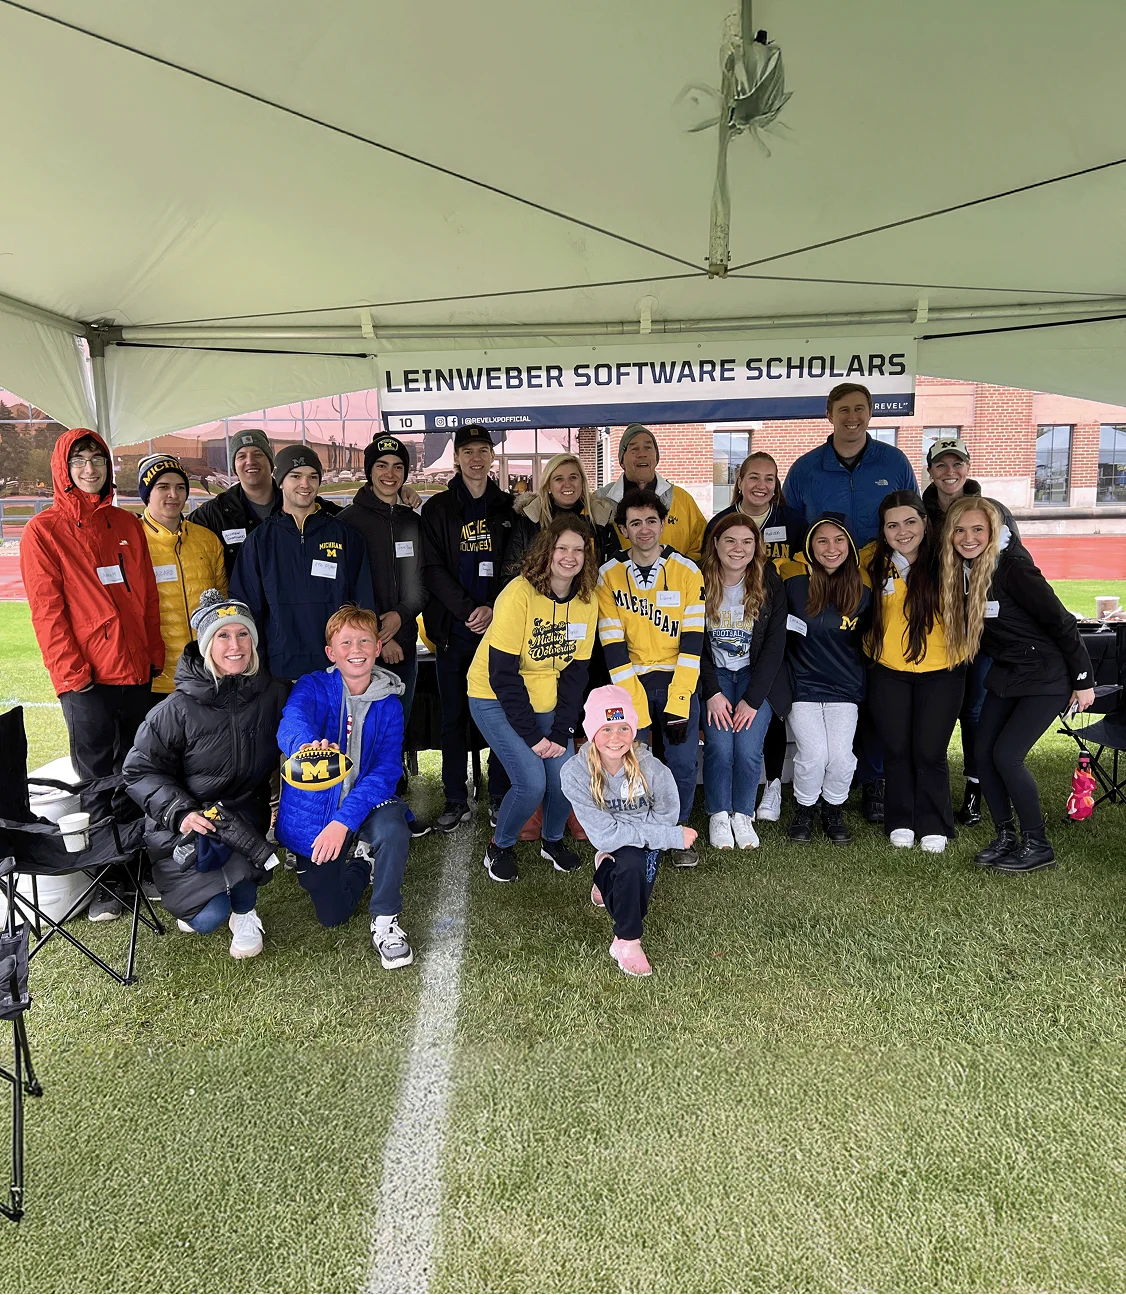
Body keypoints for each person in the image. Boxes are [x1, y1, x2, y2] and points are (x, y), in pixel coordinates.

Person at [20, 428, 164, 921]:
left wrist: (152, 652)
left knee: (137, 770)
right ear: (64, 468)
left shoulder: (125, 524)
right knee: (99, 781)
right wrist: (72, 673)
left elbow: (146, 595)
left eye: (97, 459)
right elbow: (48, 612)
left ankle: (141, 862)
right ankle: (109, 879)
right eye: (79, 460)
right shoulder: (44, 531)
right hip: (87, 680)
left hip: (134, 671)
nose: (89, 468)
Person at [122, 590, 288, 957]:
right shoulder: (175, 708)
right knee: (208, 917)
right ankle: (215, 903)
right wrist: (181, 813)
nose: (235, 645)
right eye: (223, 635)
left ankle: (245, 914)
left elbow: (303, 725)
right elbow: (138, 770)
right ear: (206, 644)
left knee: (240, 883)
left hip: (244, 815)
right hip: (186, 821)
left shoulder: (274, 694)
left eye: (243, 634)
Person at [940, 497, 1094, 872]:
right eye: (960, 530)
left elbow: (1061, 621)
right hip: (1007, 674)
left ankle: (1037, 844)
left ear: (994, 530)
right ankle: (1005, 836)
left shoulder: (1013, 567)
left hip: (1045, 675)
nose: (968, 537)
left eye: (978, 529)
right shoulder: (961, 571)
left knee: (1007, 755)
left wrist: (1083, 679)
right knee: (983, 755)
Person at [276, 606, 415, 967]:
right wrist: (306, 747)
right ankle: (362, 863)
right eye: (346, 642)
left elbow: (384, 772)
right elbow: (291, 721)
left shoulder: (390, 704)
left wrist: (343, 822)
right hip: (317, 812)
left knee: (393, 829)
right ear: (331, 653)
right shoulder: (312, 686)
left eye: (365, 641)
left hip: (364, 805)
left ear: (378, 647)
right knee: (332, 914)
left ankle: (386, 921)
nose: (356, 649)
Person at [468, 517, 600, 882]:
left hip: (546, 694)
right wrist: (533, 736)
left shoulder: (588, 600)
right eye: (562, 548)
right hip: (492, 695)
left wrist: (561, 731)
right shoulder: (518, 593)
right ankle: (499, 846)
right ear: (546, 551)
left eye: (578, 550)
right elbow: (502, 674)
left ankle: (552, 841)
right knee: (531, 782)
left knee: (566, 777)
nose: (570, 557)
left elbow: (576, 674)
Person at [596, 488, 704, 867]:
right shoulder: (607, 575)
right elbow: (613, 647)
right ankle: (638, 833)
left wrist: (679, 700)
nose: (644, 529)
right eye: (635, 522)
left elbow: (693, 643)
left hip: (678, 681)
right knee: (632, 765)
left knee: (682, 763)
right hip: (630, 685)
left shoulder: (688, 571)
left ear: (662, 525)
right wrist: (636, 706)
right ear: (624, 529)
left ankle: (678, 832)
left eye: (652, 521)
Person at [419, 424, 519, 832]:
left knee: (501, 714)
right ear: (457, 458)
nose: (476, 459)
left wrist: (494, 608)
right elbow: (431, 569)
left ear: (492, 457)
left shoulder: (510, 507)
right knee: (454, 717)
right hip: (454, 631)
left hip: (500, 631)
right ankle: (455, 798)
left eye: (483, 451)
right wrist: (467, 610)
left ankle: (498, 793)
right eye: (468, 452)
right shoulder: (437, 508)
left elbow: (518, 566)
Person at [922, 435, 1024, 828]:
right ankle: (926, 784)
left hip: (984, 632)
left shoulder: (993, 511)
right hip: (939, 630)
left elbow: (1017, 564)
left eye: (957, 464)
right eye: (941, 465)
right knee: (938, 708)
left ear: (967, 467)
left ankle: (974, 789)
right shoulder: (921, 513)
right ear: (930, 471)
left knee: (976, 711)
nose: (950, 472)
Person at [560, 686, 693, 978]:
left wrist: (652, 835)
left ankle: (604, 872)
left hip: (646, 834)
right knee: (632, 869)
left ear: (633, 730)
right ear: (591, 731)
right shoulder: (575, 773)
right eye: (606, 728)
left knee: (637, 890)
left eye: (623, 728)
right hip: (615, 837)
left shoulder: (653, 769)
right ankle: (627, 941)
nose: (615, 737)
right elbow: (604, 834)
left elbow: (666, 815)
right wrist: (670, 838)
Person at [864, 491, 966, 852]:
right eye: (892, 525)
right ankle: (901, 820)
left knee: (929, 750)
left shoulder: (948, 559)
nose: (902, 531)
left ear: (925, 522)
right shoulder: (871, 561)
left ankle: (934, 822)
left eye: (910, 521)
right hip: (888, 669)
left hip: (942, 669)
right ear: (883, 530)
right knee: (896, 748)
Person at [230, 445, 375, 681]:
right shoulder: (259, 541)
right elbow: (246, 610)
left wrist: (357, 658)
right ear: (280, 481)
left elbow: (363, 605)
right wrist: (258, 665)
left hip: (336, 668)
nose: (305, 484)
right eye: (296, 476)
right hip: (279, 670)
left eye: (312, 477)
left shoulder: (346, 536)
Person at [703, 450, 792, 822]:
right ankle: (718, 814)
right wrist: (711, 692)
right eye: (730, 541)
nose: (738, 549)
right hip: (717, 676)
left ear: (757, 547)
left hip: (756, 676)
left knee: (748, 750)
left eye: (746, 542)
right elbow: (694, 644)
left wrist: (753, 700)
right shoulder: (699, 582)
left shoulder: (769, 582)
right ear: (716, 543)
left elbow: (774, 645)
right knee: (721, 749)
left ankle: (742, 814)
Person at [783, 515, 871, 845]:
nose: (831, 548)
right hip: (803, 685)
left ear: (849, 545)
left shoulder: (863, 587)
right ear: (810, 546)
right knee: (814, 754)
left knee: (842, 757)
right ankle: (806, 808)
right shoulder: (793, 581)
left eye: (838, 540)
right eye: (822, 540)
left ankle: (833, 808)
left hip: (844, 687)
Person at [338, 434, 428, 728]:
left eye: (398, 466)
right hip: (359, 647)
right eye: (381, 465)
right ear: (369, 471)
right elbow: (344, 588)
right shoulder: (347, 522)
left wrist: (401, 615)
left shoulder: (413, 522)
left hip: (404, 643)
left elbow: (422, 581)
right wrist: (379, 635)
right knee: (360, 729)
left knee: (397, 726)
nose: (390, 474)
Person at [782, 383, 918, 548]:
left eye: (859, 409)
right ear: (830, 416)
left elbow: (916, 519)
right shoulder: (803, 469)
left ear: (870, 413)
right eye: (844, 410)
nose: (852, 417)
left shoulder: (895, 462)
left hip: (883, 563)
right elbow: (787, 527)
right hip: (826, 563)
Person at [136, 452, 227, 697]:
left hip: (206, 674)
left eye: (179, 487)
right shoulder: (132, 542)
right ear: (147, 493)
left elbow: (221, 603)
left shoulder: (206, 540)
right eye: (163, 487)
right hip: (155, 680)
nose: (173, 495)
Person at [595, 424, 707, 561]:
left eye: (648, 447)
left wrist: (678, 572)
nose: (642, 454)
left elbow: (700, 549)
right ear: (622, 461)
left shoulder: (682, 500)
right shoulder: (599, 501)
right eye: (634, 448)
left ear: (656, 458)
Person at [501, 452, 616, 581]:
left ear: (582, 482)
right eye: (559, 479)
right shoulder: (530, 519)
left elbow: (613, 574)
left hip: (590, 593)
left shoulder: (601, 520)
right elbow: (510, 574)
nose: (567, 484)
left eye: (573, 477)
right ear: (548, 485)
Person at [192, 429, 283, 577]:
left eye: (258, 454)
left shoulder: (293, 504)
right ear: (234, 466)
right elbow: (179, 533)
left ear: (270, 461)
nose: (250, 461)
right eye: (241, 456)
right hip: (238, 592)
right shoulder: (216, 511)